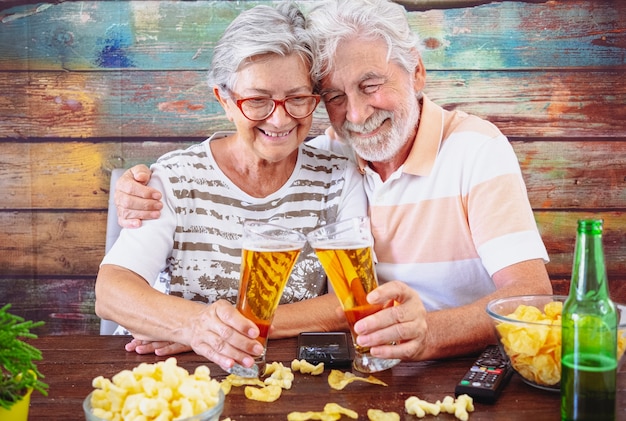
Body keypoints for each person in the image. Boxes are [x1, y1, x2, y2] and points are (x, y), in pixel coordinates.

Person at [114, 0, 552, 362]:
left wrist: (429, 333)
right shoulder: (333, 154)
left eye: (371, 85)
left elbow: (531, 296)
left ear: (416, 72)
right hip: (348, 368)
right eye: (336, 96)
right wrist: (135, 187)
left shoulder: (475, 149)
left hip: (451, 366)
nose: (357, 115)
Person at [95, 3, 372, 373]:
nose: (279, 118)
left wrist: (216, 330)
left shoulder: (340, 178)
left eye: (297, 99)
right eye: (257, 100)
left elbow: (348, 302)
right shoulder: (175, 178)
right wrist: (194, 327)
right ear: (224, 99)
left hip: (290, 380)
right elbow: (111, 292)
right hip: (176, 378)